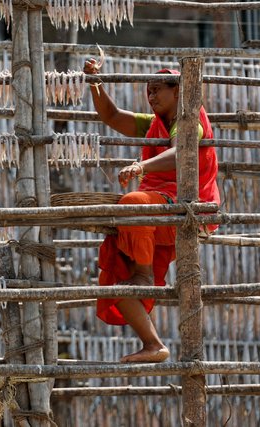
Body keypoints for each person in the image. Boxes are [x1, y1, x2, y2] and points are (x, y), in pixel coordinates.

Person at [83, 58, 220, 363]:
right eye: (149, 91)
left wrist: (140, 165)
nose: (152, 96)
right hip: (161, 205)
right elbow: (113, 116)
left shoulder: (190, 121)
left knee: (132, 202)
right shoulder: (153, 122)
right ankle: (154, 345)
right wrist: (95, 82)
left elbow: (181, 151)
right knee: (117, 269)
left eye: (158, 90)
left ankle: (144, 275)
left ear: (177, 92)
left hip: (188, 206)